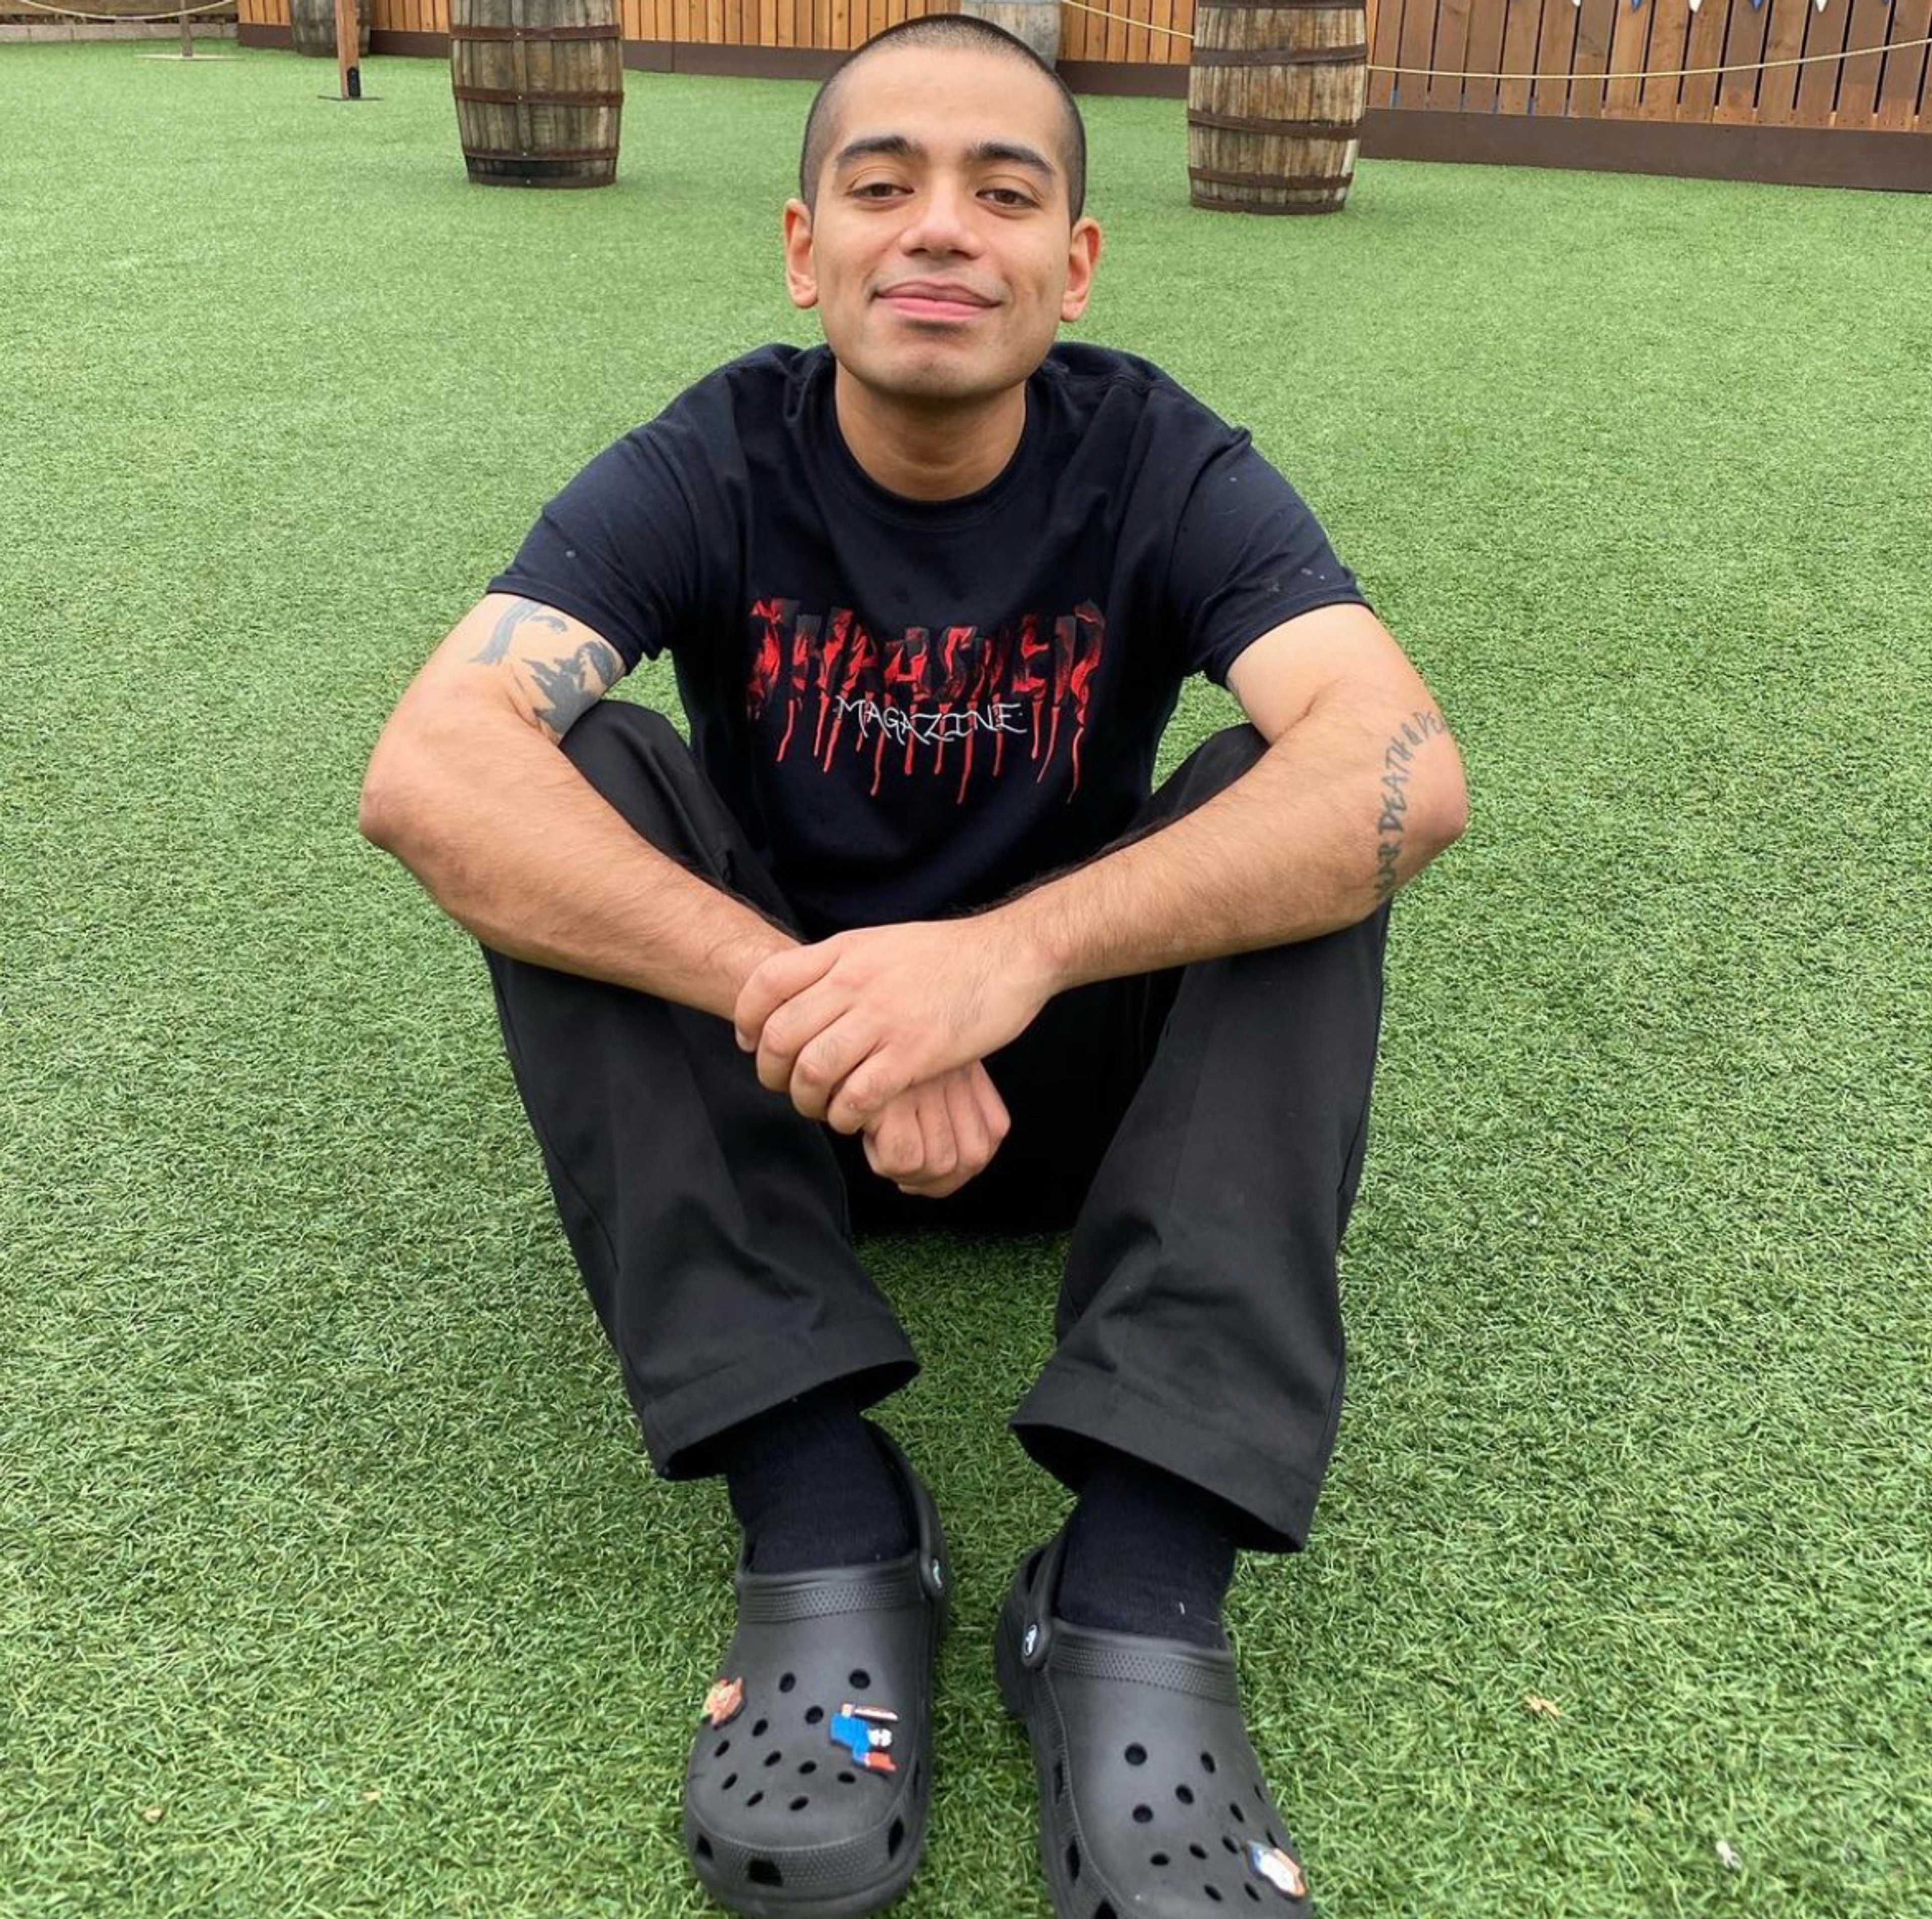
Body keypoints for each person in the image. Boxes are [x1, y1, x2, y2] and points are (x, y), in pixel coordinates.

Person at [359, 17, 1467, 1916]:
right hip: (782, 1097)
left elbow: (1401, 761)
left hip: (1066, 1085)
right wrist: (814, 999)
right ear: (808, 249)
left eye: (1002, 190)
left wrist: (1003, 961)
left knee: (1290, 812)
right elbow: (427, 768)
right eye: (884, 187)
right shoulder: (719, 454)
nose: (939, 229)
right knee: (578, 773)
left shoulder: (1162, 460)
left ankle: (1128, 1579)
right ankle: (827, 1509)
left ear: (1075, 263)